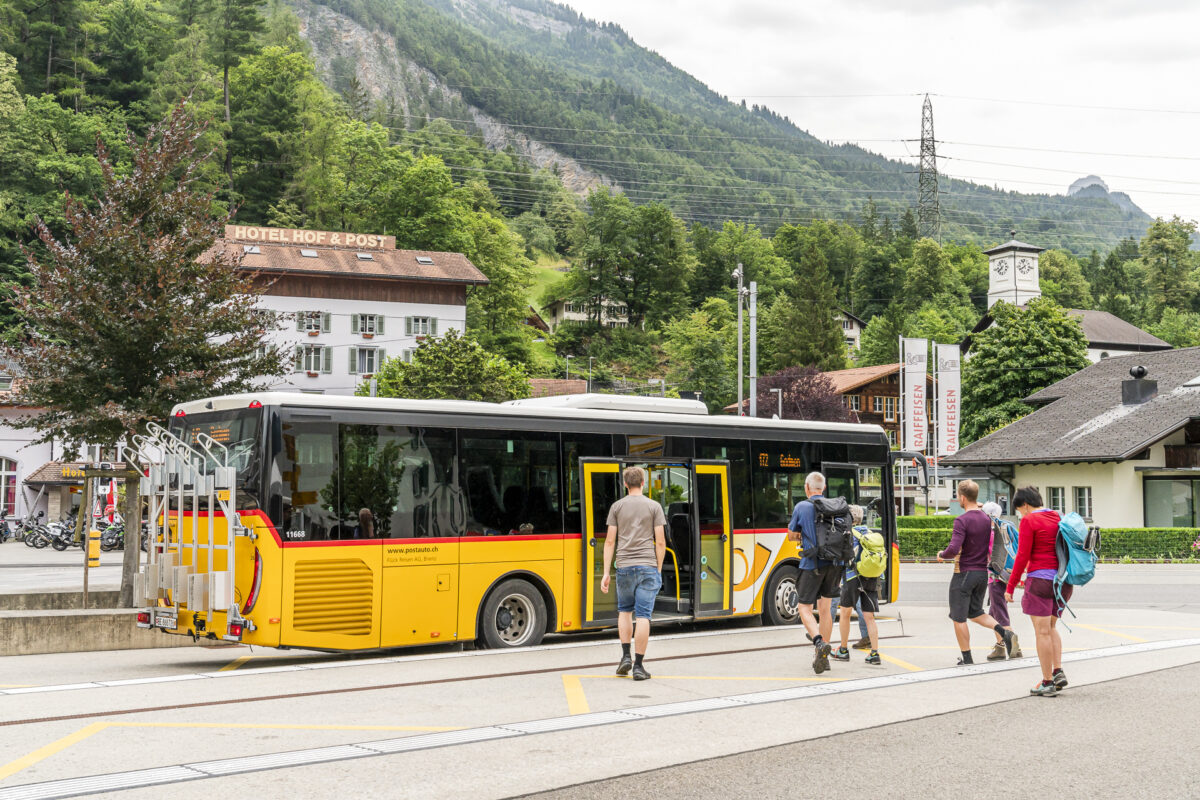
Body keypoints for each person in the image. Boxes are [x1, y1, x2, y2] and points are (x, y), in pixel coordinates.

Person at [938, 480, 1016, 665]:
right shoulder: (986, 519)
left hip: (964, 573)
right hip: (982, 574)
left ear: (962, 498)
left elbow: (953, 548)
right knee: (975, 612)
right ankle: (1005, 633)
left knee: (958, 617)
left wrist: (942, 554)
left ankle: (967, 658)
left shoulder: (962, 520)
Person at [600, 466, 666, 681]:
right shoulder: (654, 506)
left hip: (625, 567)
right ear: (643, 483)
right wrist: (657, 568)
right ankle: (638, 666)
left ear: (625, 484)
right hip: (647, 566)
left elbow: (610, 541)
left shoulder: (616, 507)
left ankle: (625, 656)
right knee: (644, 616)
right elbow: (661, 541)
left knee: (624, 611)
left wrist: (607, 572)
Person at [1006, 486, 1070, 697]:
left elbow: (1022, 556)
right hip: (1063, 582)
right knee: (1051, 627)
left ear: (1025, 505)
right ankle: (1057, 670)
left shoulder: (1029, 520)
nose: (1020, 514)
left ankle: (1047, 682)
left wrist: (1010, 586)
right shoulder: (1058, 516)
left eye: (1019, 510)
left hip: (1041, 581)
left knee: (1042, 631)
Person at [788, 471, 843, 675]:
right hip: (835, 564)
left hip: (812, 564)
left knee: (804, 608)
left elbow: (791, 536)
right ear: (824, 488)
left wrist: (801, 533)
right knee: (826, 609)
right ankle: (824, 658)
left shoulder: (802, 507)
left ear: (806, 488)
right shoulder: (835, 507)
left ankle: (819, 643)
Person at [832, 504, 882, 665]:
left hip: (853, 577)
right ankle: (874, 653)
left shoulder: (848, 534)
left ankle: (843, 650)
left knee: (845, 614)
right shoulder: (870, 533)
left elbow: (841, 558)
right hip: (872, 577)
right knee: (870, 616)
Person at [982, 501, 1022, 661]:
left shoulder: (991, 534)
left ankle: (1014, 647)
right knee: (994, 613)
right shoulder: (1005, 529)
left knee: (1000, 612)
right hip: (1005, 574)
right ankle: (999, 647)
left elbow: (987, 555)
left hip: (995, 577)